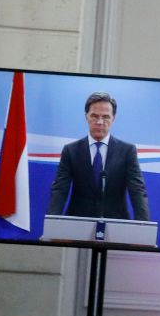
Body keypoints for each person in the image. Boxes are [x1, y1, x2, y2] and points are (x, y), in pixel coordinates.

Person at [48, 92, 151, 221]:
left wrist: (143, 229)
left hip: (116, 225)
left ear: (113, 118)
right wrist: (51, 224)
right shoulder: (71, 151)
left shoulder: (127, 151)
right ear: (86, 116)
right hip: (77, 224)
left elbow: (137, 191)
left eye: (106, 117)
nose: (100, 122)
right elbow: (60, 191)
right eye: (94, 116)